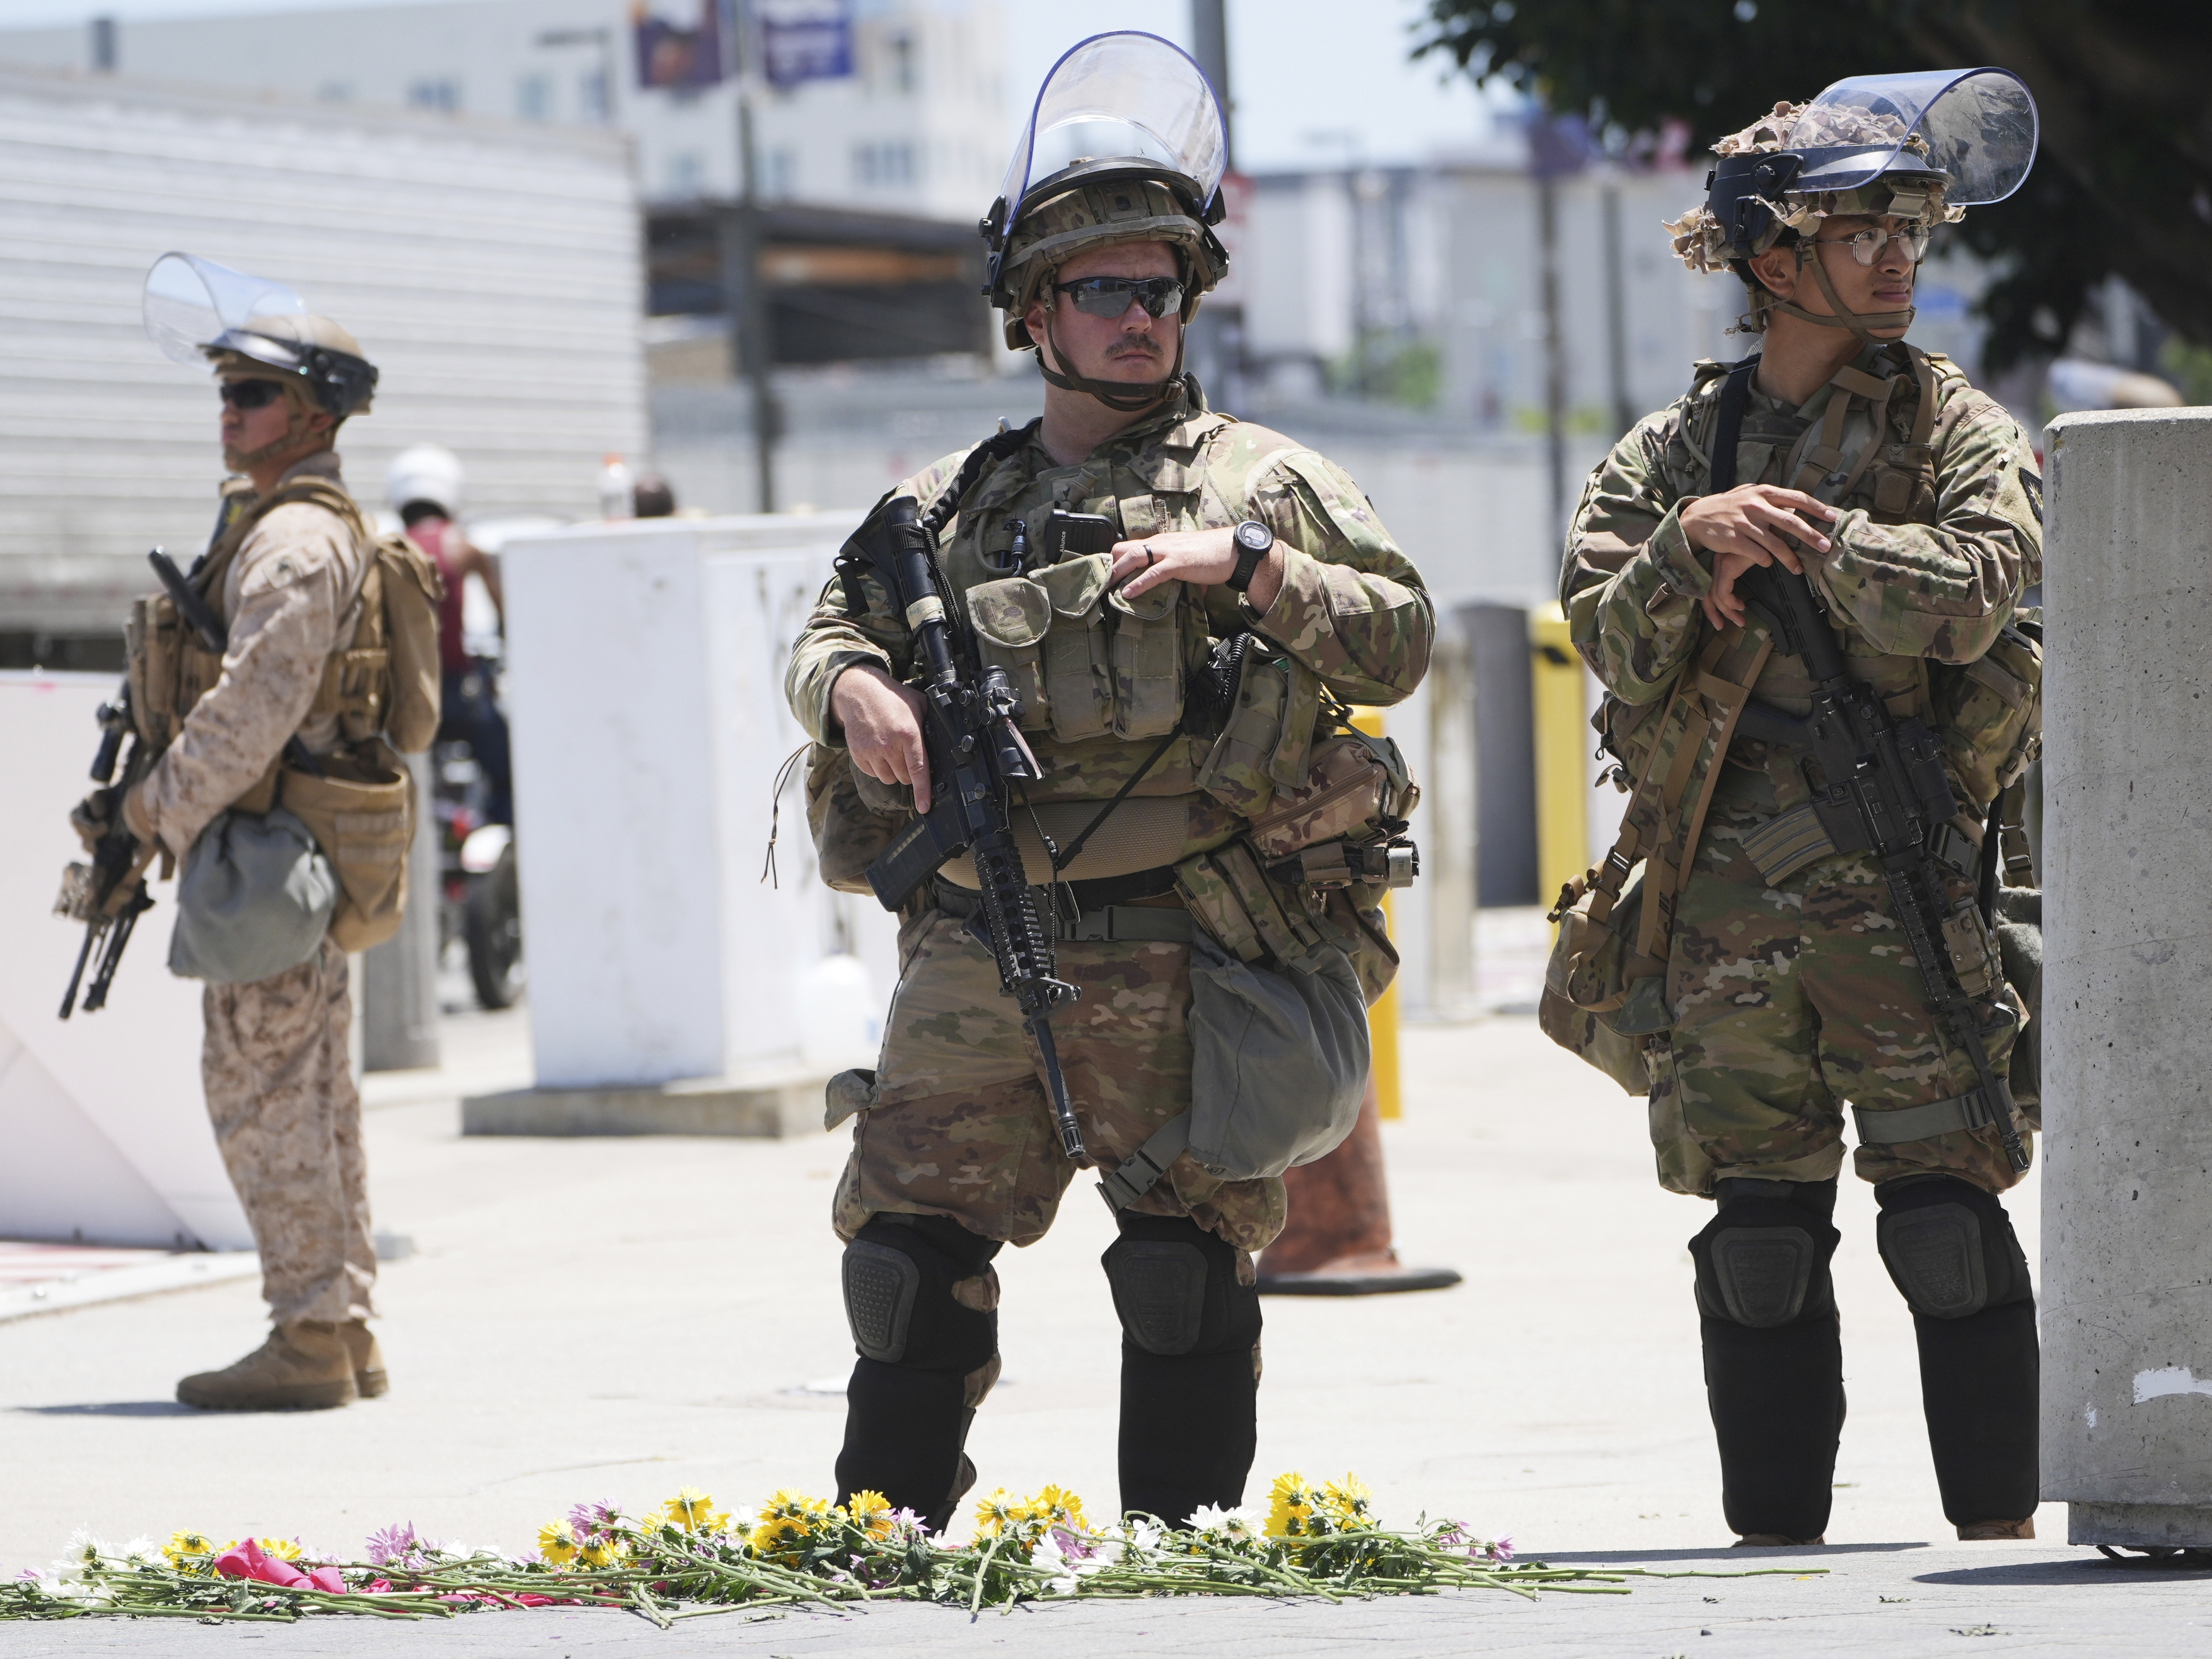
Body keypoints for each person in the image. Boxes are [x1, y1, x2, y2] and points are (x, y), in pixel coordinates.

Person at [785, 32, 1432, 1531]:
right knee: (901, 1259)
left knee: (1182, 1265)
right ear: (1032, 311)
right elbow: (824, 632)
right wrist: (856, 687)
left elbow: (1399, 641)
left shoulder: (1257, 479)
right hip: (975, 936)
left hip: (1189, 928)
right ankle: (883, 1544)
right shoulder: (944, 507)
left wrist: (1253, 567)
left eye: (1161, 289)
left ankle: (1178, 1566)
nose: (1140, 319)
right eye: (1101, 290)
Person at [1562, 73, 2046, 1544]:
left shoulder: (1950, 425)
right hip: (1718, 916)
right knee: (1758, 1245)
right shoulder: (1674, 457)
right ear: (1774, 259)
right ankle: (1774, 1568)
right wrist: (1688, 546)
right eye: (1864, 229)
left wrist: (1822, 542)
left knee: (1948, 1230)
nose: (1901, 257)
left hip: (1899, 893)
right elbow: (1601, 626)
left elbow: (1978, 592)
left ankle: (1997, 1548)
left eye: (1915, 225)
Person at [84, 279, 395, 1411]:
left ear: (313, 413)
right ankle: (341, 1326)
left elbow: (246, 714)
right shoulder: (282, 527)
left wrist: (144, 809)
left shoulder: (294, 545)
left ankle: (310, 1330)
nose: (230, 411)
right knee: (312, 1092)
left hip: (269, 853)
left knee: (262, 1091)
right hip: (281, 848)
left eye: (254, 393)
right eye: (225, 390)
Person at [387, 444, 511, 824]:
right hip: (457, 693)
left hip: (403, 697)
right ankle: (500, 832)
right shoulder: (461, 547)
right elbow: (504, 610)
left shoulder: (389, 552)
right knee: (507, 769)